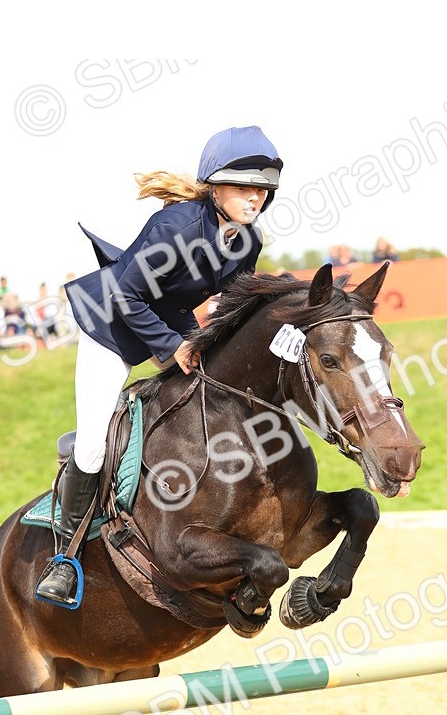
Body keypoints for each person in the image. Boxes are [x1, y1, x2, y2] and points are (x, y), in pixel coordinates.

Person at [35, 124, 282, 608]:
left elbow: (236, 304)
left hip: (169, 322)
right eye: (244, 187)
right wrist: (173, 347)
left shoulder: (246, 242)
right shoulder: (176, 228)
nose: (255, 197)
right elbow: (126, 296)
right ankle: (63, 559)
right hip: (110, 326)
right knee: (92, 447)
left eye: (262, 189)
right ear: (215, 188)